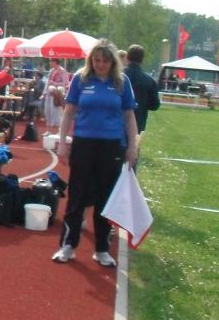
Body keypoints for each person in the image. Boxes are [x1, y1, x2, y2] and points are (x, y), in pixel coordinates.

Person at [52, 40, 138, 268]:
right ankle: (68, 245)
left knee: (105, 197)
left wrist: (133, 146)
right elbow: (68, 112)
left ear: (113, 62)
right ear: (91, 60)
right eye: (97, 60)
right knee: (77, 195)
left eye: (105, 61)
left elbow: (129, 116)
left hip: (111, 146)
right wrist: (62, 142)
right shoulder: (81, 79)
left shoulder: (121, 82)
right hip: (84, 143)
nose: (100, 65)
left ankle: (102, 249)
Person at [124, 44, 160, 133]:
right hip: (138, 124)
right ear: (142, 59)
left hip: (118, 123)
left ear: (127, 57)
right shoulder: (149, 81)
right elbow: (155, 105)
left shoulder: (117, 76)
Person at [43, 58, 69, 136]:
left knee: (56, 112)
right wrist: (44, 92)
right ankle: (49, 130)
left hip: (57, 95)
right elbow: (48, 82)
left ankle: (57, 131)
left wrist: (54, 83)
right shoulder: (51, 71)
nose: (49, 63)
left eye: (51, 61)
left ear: (55, 62)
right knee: (48, 111)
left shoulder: (62, 71)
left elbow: (65, 83)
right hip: (49, 93)